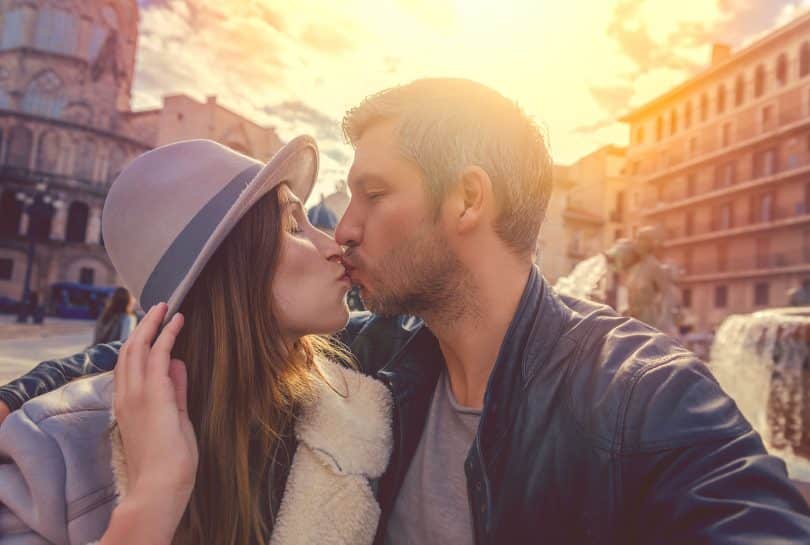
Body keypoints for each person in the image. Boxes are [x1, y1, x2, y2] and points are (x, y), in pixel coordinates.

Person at [2, 79, 810, 544]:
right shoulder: (382, 362)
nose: (340, 229)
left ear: (467, 199)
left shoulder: (640, 393)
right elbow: (199, 345)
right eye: (315, 210)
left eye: (373, 193)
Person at [0, 136, 392, 545]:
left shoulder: (366, 415)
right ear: (226, 272)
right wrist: (152, 500)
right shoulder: (50, 456)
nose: (334, 246)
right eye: (294, 226)